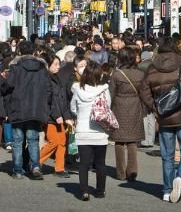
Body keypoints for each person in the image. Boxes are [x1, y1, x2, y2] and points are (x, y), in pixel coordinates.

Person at [139, 37, 181, 204]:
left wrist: (155, 108)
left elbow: (144, 91)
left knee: (166, 155)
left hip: (164, 116)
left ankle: (167, 191)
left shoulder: (152, 67)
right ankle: (180, 178)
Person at [3, 40, 52, 179]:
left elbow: (8, 87)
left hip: (18, 108)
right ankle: (35, 166)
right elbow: (48, 90)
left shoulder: (15, 67)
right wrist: (46, 105)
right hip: (36, 108)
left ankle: (18, 170)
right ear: (34, 52)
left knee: (17, 141)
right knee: (33, 139)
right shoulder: (42, 68)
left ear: (19, 52)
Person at [70, 60, 111, 201]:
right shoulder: (104, 90)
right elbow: (108, 107)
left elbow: (73, 108)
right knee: (100, 163)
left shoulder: (78, 90)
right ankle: (100, 190)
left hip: (82, 131)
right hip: (99, 132)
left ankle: (84, 191)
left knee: (83, 163)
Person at [108, 47, 147, 182]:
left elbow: (111, 94)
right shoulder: (140, 74)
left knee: (119, 141)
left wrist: (109, 110)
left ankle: (120, 172)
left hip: (119, 106)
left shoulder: (117, 74)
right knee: (132, 141)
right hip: (135, 106)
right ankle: (132, 171)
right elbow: (144, 93)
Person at [39, 51, 73, 178]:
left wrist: (67, 117)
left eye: (59, 64)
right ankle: (36, 162)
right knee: (53, 141)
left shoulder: (58, 79)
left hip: (59, 116)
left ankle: (59, 168)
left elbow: (63, 100)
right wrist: (57, 115)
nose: (58, 67)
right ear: (48, 65)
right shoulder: (45, 79)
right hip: (50, 117)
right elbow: (49, 101)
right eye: (56, 64)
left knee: (62, 141)